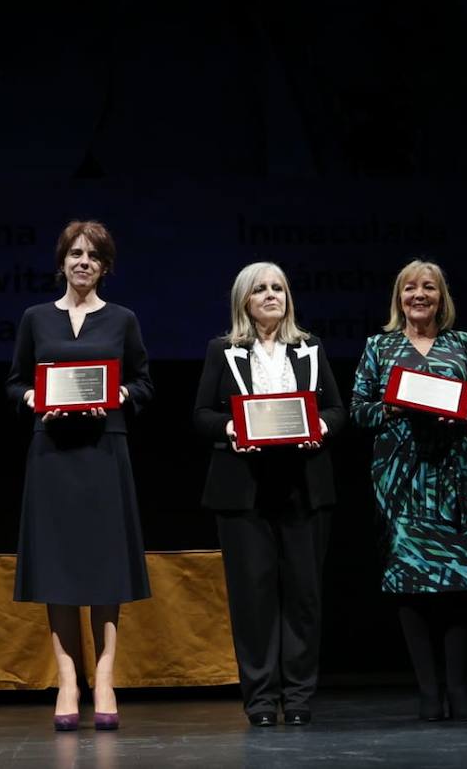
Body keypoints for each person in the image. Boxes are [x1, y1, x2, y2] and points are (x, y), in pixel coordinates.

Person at [6, 220, 153, 731]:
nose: (83, 261)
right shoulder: (35, 318)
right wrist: (30, 398)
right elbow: (16, 381)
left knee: (104, 569)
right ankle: (68, 678)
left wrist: (120, 396)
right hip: (51, 455)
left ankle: (105, 678)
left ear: (105, 266)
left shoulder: (123, 320)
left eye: (93, 255)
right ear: (62, 261)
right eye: (75, 253)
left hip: (103, 453)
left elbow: (143, 382)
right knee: (59, 571)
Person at [192, 262, 345, 728]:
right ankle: (260, 699)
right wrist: (231, 427)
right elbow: (201, 414)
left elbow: (336, 409)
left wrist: (319, 424)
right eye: (260, 289)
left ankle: (298, 696)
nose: (271, 295)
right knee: (252, 599)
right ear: (245, 300)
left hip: (303, 487)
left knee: (303, 596)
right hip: (244, 492)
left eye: (278, 287)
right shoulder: (224, 351)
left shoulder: (310, 348)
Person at [350, 260, 467, 721]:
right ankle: (429, 692)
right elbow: (358, 411)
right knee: (409, 585)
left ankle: (459, 688)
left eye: (428, 287)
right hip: (401, 481)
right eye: (410, 288)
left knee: (456, 583)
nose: (419, 295)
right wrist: (392, 406)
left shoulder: (462, 343)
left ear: (441, 297)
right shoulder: (380, 346)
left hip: (455, 479)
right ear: (399, 297)